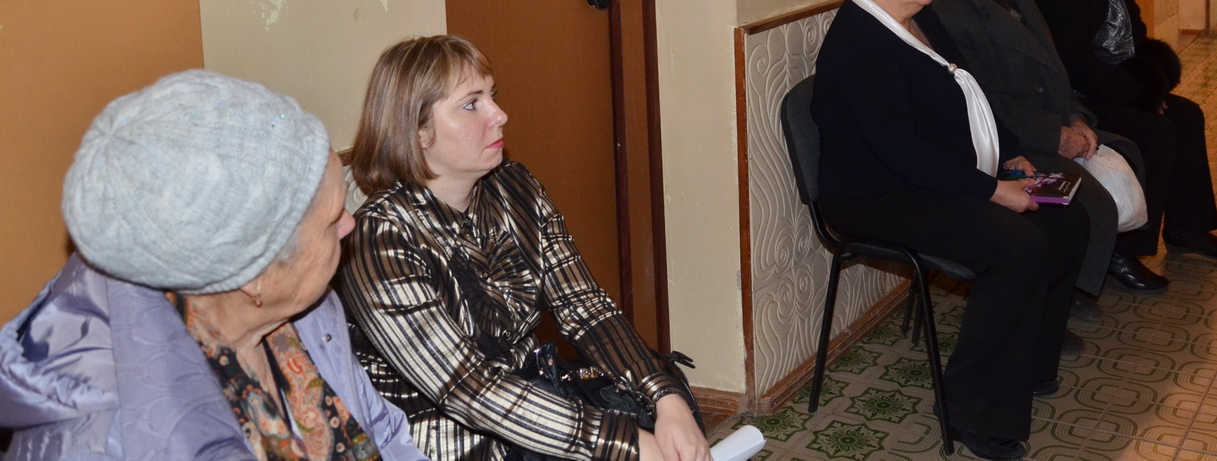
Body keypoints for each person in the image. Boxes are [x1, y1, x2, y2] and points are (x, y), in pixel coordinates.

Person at [0, 70, 425, 461]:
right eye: (332, 218)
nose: (350, 223)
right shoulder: (106, 442)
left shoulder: (309, 316)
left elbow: (385, 434)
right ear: (253, 273)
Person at [337, 35, 708, 461]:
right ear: (418, 131)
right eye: (471, 104)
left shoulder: (515, 187)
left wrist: (664, 396)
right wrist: (621, 444)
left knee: (663, 403)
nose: (499, 115)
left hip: (530, 398)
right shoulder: (379, 239)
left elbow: (584, 306)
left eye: (492, 96)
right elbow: (468, 390)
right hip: (446, 440)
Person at [811, 0, 1090, 461]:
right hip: (875, 196)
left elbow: (970, 94)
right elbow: (901, 151)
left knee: (1066, 217)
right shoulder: (858, 44)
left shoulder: (919, 17)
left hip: (928, 175)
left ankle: (1028, 364)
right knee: (1016, 247)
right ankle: (970, 410)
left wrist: (1009, 152)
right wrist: (991, 190)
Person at [930, 0, 1145, 306]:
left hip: (1040, 122)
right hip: (1003, 140)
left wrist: (1076, 118)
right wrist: (1054, 134)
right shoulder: (948, 8)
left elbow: (1054, 68)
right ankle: (1057, 299)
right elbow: (978, 101)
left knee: (1131, 149)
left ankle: (1081, 281)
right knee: (1085, 201)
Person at [1025, 0, 1217, 278]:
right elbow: (1073, 61)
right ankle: (1123, 249)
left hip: (1112, 80)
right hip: (1074, 94)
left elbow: (1135, 32)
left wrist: (1152, 83)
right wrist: (1138, 92)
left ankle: (1188, 228)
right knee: (1155, 131)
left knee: (1187, 114)